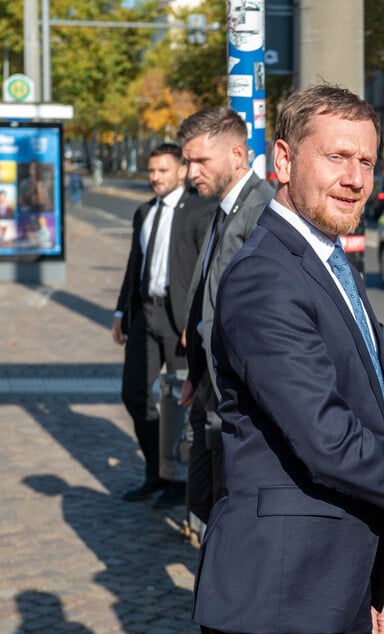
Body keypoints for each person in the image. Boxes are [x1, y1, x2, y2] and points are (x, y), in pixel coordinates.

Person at [191, 83, 384, 634]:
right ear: (283, 160)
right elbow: (331, 442)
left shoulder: (330, 261)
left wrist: (374, 580)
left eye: (366, 161)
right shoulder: (265, 277)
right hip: (280, 596)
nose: (355, 179)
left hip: (335, 584)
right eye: (336, 157)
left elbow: (363, 429)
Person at [176, 107, 274, 525]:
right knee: (202, 499)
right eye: (188, 161)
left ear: (238, 155)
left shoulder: (263, 208)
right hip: (208, 383)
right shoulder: (222, 207)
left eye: (200, 161)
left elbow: (266, 308)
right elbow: (208, 295)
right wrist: (194, 374)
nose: (191, 171)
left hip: (235, 388)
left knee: (226, 508)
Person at [112, 143, 216, 507]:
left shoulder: (201, 212)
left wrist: (198, 318)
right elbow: (134, 264)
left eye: (162, 171)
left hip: (180, 323)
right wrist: (121, 312)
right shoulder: (143, 212)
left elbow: (207, 273)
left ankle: (180, 481)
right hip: (145, 314)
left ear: (181, 170)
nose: (155, 177)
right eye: (151, 171)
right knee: (135, 394)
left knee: (181, 402)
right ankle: (156, 472)